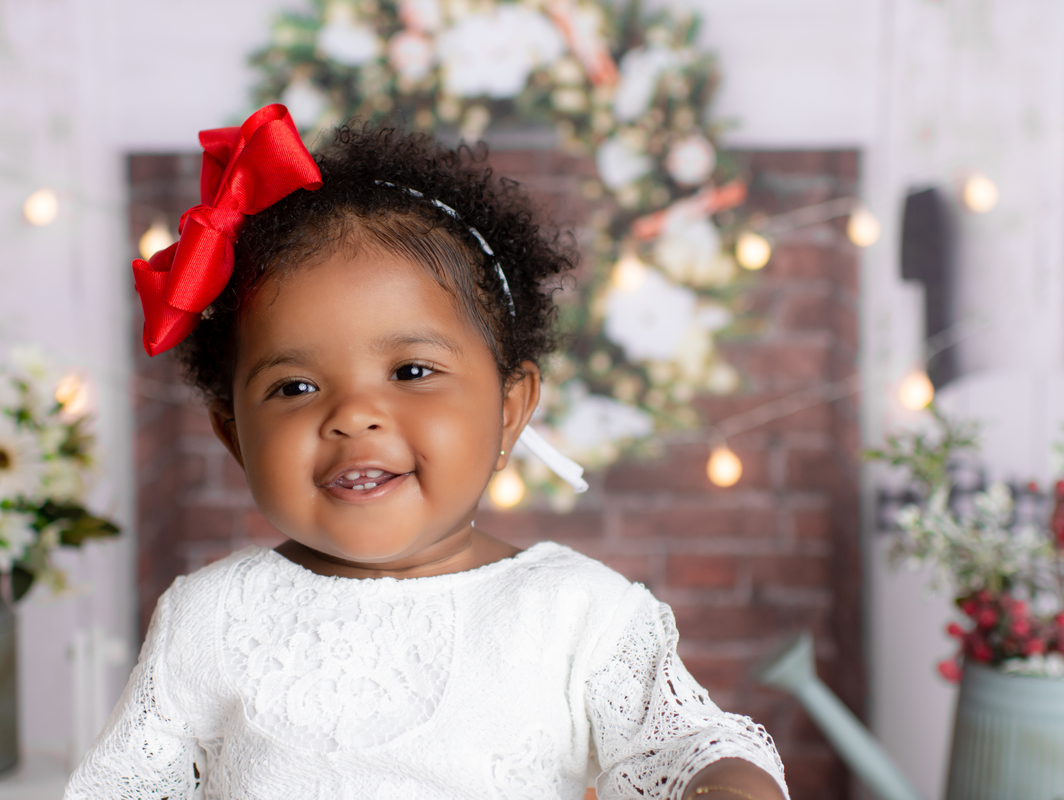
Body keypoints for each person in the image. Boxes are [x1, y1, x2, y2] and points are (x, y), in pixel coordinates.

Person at [64, 105, 789, 800]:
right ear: (233, 436)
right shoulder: (209, 617)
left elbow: (687, 743)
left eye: (411, 372)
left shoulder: (576, 614)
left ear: (509, 410)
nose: (353, 416)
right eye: (295, 386)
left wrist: (722, 785)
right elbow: (127, 784)